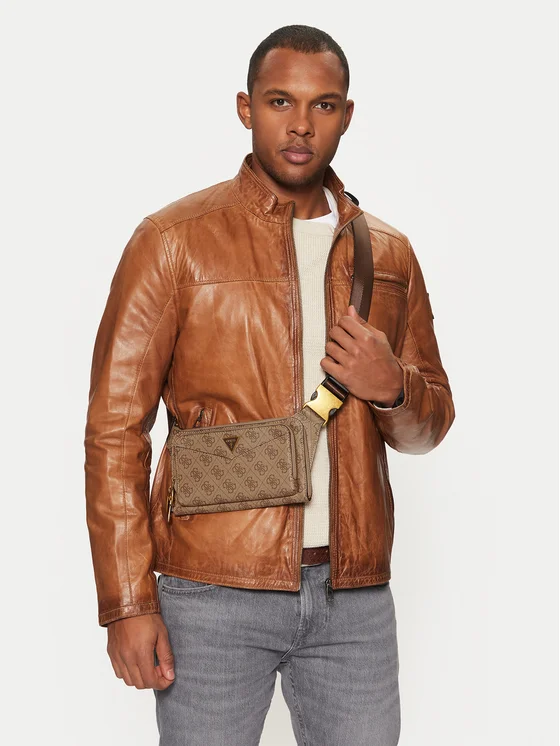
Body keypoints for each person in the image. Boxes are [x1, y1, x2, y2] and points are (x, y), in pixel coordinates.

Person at [84, 24, 455, 746]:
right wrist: (127, 602)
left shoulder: (389, 254)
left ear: (346, 116)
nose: (301, 125)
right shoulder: (174, 241)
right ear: (245, 107)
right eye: (281, 101)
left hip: (354, 599)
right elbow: (114, 430)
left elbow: (430, 426)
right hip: (210, 591)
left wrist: (392, 387)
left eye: (324, 105)